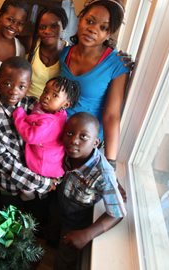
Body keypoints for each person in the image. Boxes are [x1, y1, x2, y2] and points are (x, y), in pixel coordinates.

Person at [0, 56, 56, 224]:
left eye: (21, 86)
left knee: (36, 225)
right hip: (11, 187)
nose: (14, 91)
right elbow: (2, 161)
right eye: (7, 83)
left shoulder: (34, 106)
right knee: (10, 230)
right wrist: (40, 182)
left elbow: (51, 140)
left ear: (28, 87)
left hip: (41, 185)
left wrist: (52, 175)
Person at [59, 0, 130, 166]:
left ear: (108, 34)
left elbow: (112, 116)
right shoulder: (63, 53)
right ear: (80, 20)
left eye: (103, 27)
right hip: (57, 133)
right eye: (89, 21)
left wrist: (111, 162)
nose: (93, 29)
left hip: (84, 144)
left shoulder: (117, 64)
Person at [52, 112, 126, 269]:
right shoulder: (63, 153)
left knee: (64, 259)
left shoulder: (103, 174)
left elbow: (117, 213)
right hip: (59, 207)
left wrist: (87, 234)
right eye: (69, 133)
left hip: (78, 223)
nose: (73, 140)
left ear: (96, 142)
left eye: (83, 137)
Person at [13, 76, 80, 200]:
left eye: (55, 95)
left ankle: (30, 197)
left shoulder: (50, 123)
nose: (47, 96)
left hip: (42, 164)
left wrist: (19, 115)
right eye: (45, 91)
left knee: (26, 185)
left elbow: (30, 136)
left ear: (65, 104)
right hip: (52, 160)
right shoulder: (56, 112)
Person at [26, 6, 69, 97]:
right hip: (26, 104)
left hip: (51, 109)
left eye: (54, 26)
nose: (47, 31)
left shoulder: (70, 52)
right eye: (42, 27)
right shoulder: (31, 44)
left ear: (63, 27)